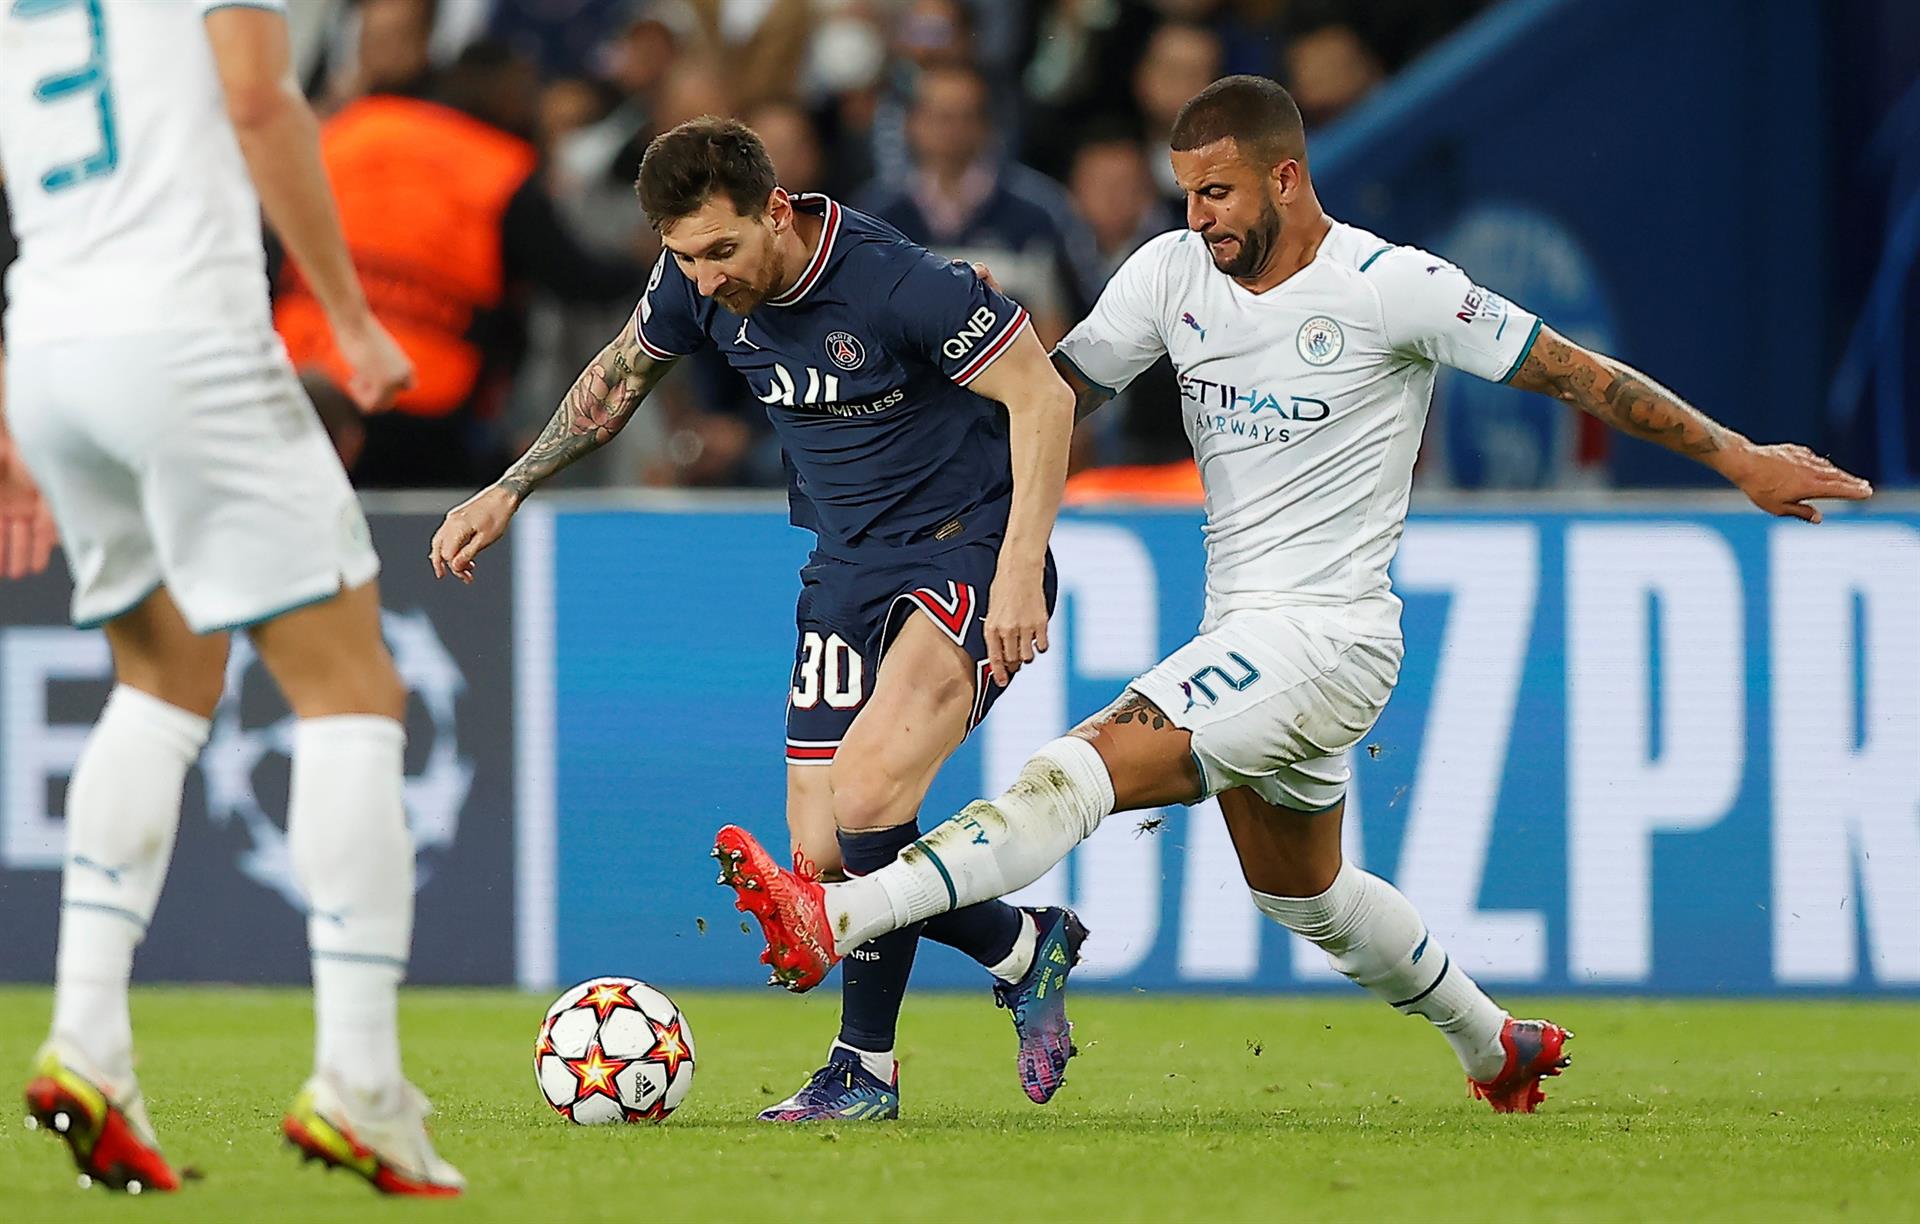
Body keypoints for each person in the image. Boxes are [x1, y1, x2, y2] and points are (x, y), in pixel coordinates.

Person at [712, 76, 1876, 1113]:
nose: (1197, 217)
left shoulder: (1396, 289)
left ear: (1286, 174)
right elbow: (1054, 392)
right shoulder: (1171, 275)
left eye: (1217, 192)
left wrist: (1737, 458)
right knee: (1305, 896)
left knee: (1077, 767)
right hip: (1248, 638)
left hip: (1331, 636)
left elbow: (1575, 371)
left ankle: (841, 919)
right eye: (1184, 193)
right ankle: (1495, 1046)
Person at [429, 117, 1087, 1120]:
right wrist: (507, 491)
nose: (704, 279)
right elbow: (617, 378)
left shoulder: (897, 282)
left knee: (869, 797)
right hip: (844, 567)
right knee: (823, 853)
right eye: (683, 258)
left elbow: (1042, 397)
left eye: (721, 251)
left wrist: (1017, 576)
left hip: (963, 548)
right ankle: (1019, 946)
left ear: (777, 211)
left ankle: (863, 1070)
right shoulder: (693, 286)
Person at [0, 0, 462, 1196]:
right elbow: (259, 97)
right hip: (185, 334)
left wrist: (14, 395)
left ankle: (88, 1037)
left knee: (160, 681)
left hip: (51, 343)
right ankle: (360, 1080)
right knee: (350, 683)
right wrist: (349, 320)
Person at [859, 62, 1090, 347]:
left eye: (965, 117)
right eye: (942, 117)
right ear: (912, 123)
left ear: (986, 126)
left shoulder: (1038, 211)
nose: (953, 130)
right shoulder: (875, 215)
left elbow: (1056, 320)